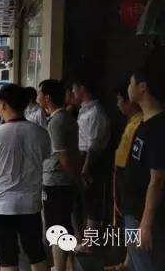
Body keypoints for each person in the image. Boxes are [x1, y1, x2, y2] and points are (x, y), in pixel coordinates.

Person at [0, 84, 51, 271]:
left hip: (0, 206)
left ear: (3, 105)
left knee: (7, 258)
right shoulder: (41, 133)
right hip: (30, 205)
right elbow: (44, 158)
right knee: (36, 253)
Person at [123, 58, 165, 270]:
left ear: (142, 87)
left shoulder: (158, 128)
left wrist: (146, 224)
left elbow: (157, 179)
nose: (128, 87)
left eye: (131, 83)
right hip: (134, 214)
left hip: (144, 218)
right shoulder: (144, 122)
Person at [37, 79, 80, 271]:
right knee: (64, 223)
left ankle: (59, 266)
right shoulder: (67, 118)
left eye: (39, 94)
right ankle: (67, 265)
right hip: (64, 181)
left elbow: (63, 156)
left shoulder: (56, 122)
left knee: (56, 226)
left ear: (47, 98)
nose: (37, 97)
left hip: (56, 181)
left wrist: (74, 177)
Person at [106, 83, 143, 271]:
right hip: (122, 179)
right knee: (127, 224)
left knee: (132, 225)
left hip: (131, 183)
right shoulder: (132, 122)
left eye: (120, 100)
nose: (118, 105)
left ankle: (134, 263)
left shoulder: (141, 123)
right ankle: (128, 262)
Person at [72, 78, 111, 253]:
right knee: (85, 202)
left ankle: (89, 244)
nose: (72, 92)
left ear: (82, 88)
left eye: (74, 88)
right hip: (82, 158)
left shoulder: (95, 113)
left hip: (91, 161)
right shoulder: (84, 110)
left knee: (92, 203)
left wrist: (85, 169)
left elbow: (93, 146)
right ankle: (85, 241)